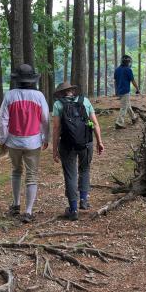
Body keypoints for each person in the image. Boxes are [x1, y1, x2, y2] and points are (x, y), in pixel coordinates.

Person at [0, 64, 50, 223]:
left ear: (17, 80)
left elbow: (2, 120)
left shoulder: (10, 95)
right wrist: (45, 138)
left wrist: (2, 139)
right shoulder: (39, 96)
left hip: (13, 141)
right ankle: (28, 212)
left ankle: (15, 205)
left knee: (16, 171)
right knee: (32, 176)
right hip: (33, 142)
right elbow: (45, 119)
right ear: (32, 79)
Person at [52, 82, 104, 221]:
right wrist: (99, 141)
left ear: (61, 93)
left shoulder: (58, 105)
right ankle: (84, 201)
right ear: (72, 91)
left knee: (70, 175)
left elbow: (56, 129)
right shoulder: (85, 101)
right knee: (85, 169)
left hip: (67, 145)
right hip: (86, 143)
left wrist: (54, 149)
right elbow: (94, 123)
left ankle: (73, 209)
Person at [114, 54, 140, 129]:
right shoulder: (128, 70)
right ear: (128, 62)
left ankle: (134, 118)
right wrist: (137, 89)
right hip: (125, 91)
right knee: (124, 107)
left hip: (119, 91)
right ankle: (119, 123)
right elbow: (133, 81)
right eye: (129, 62)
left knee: (127, 105)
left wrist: (116, 91)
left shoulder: (117, 69)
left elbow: (115, 81)